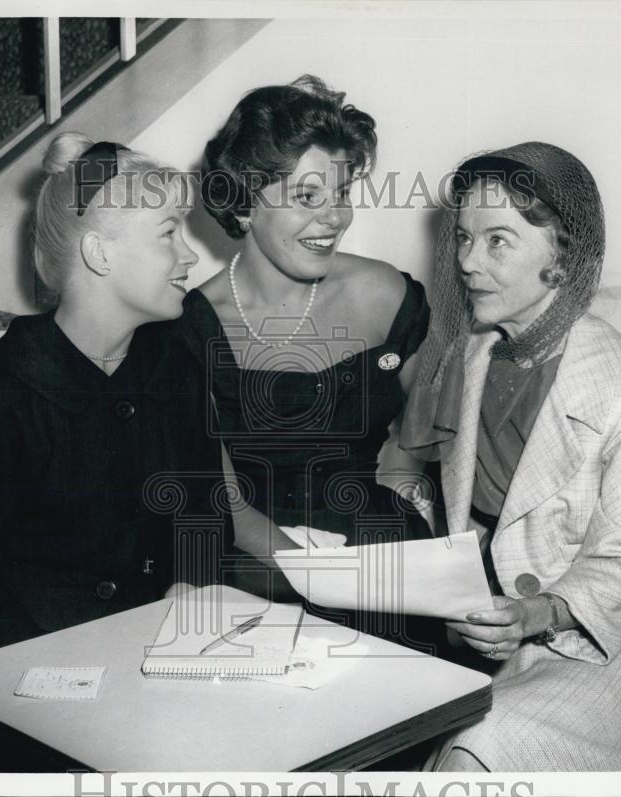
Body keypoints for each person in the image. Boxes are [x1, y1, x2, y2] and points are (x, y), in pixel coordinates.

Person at [400, 142, 621, 771]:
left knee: (479, 747)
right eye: (463, 237)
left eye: (498, 241)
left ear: (564, 256)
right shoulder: (471, 356)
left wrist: (536, 613)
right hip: (504, 637)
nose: (467, 261)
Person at [0, 133, 229, 665]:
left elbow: (206, 516)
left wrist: (189, 587)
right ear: (98, 253)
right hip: (13, 670)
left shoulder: (176, 367)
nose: (188, 256)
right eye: (168, 234)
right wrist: (64, 669)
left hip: (144, 657)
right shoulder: (6, 389)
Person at [176, 76, 433, 609]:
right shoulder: (188, 328)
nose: (334, 217)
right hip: (257, 572)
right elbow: (227, 506)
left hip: (384, 556)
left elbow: (430, 432)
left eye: (341, 193)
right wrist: (325, 574)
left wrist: (409, 485)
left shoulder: (385, 294)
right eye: (307, 196)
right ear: (244, 204)